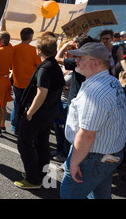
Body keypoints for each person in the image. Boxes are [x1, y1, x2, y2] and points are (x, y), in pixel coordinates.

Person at [60, 42, 126, 199]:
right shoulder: (112, 81)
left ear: (95, 62)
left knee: (70, 195)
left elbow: (87, 134)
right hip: (108, 153)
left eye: (81, 58)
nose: (76, 60)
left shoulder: (96, 92)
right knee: (99, 195)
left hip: (92, 156)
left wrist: (74, 163)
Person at [14, 35, 65, 189]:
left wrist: (30, 112)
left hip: (38, 113)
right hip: (49, 113)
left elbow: (41, 93)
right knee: (42, 144)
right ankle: (40, 174)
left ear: (39, 50)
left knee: (25, 144)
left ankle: (32, 179)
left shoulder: (45, 68)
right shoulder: (54, 65)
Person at [10, 27, 41, 135]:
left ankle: (15, 127)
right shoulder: (33, 50)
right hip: (30, 84)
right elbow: (39, 65)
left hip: (17, 82)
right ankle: (27, 128)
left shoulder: (14, 48)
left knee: (17, 104)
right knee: (30, 106)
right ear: (31, 38)